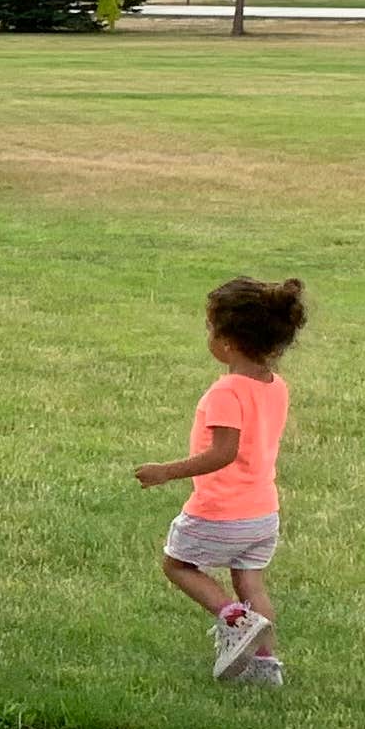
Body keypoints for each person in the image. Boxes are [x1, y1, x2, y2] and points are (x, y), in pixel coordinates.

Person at [134, 275, 307, 683]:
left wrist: (165, 472)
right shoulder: (274, 386)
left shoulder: (226, 392)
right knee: (251, 581)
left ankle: (234, 621)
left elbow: (223, 453)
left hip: (221, 512)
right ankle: (265, 667)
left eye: (210, 328)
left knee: (177, 564)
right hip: (262, 513)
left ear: (227, 342)